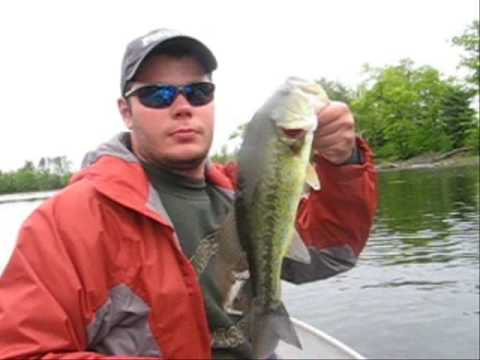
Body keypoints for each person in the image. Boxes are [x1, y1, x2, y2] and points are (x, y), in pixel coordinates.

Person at [0, 28, 377, 359]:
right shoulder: (68, 222)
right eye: (157, 95)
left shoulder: (242, 192)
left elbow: (333, 255)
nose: (182, 107)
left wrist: (343, 163)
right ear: (126, 112)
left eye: (198, 91)